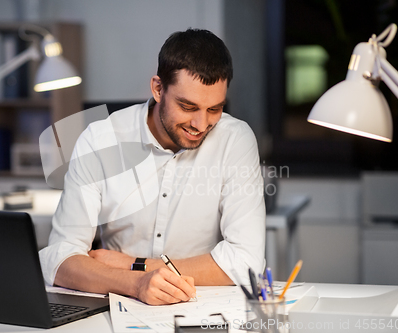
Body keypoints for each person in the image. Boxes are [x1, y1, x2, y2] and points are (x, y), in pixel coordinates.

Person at [39, 28, 265, 306]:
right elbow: (59, 259)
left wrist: (135, 265)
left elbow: (246, 262)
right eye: (187, 106)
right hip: (118, 303)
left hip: (204, 307)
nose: (201, 124)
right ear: (158, 88)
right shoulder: (101, 140)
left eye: (215, 109)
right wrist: (135, 283)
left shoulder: (235, 139)